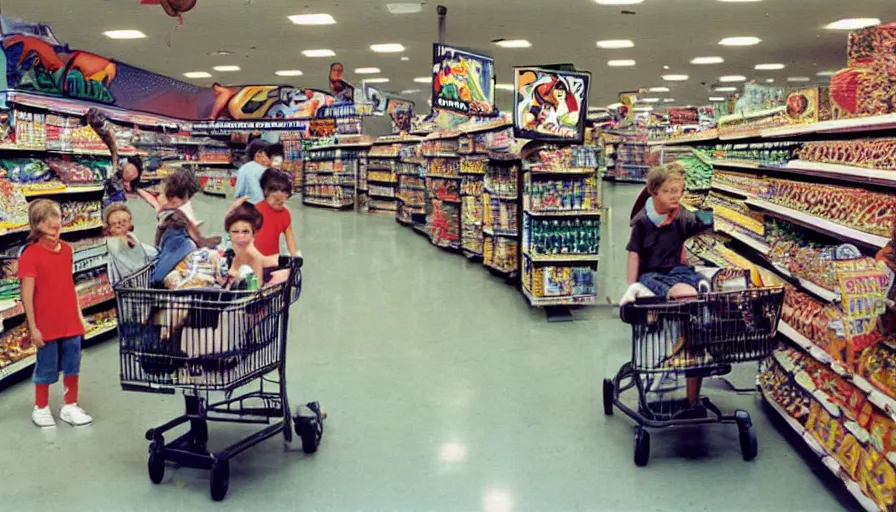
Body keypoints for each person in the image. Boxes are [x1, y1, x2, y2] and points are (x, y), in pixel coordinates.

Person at [626, 163, 711, 413]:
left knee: (694, 319)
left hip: (679, 271)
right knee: (686, 295)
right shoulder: (642, 222)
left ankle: (692, 399)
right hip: (652, 276)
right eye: (670, 191)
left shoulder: (681, 215)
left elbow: (704, 223)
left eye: (680, 190)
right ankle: (683, 343)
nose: (676, 195)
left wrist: (708, 211)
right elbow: (633, 255)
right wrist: (632, 289)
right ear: (654, 192)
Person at [18, 199, 93, 428]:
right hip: (46, 324)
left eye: (57, 219)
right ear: (37, 225)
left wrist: (80, 318)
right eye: (48, 222)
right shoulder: (30, 256)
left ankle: (70, 404)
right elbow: (27, 295)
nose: (55, 225)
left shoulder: (67, 250)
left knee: (73, 363)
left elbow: (68, 285)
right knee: (46, 366)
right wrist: (33, 327)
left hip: (69, 320)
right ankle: (41, 407)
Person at [225, 203, 279, 285]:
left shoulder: (253, 256)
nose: (241, 237)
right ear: (229, 234)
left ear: (254, 234)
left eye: (245, 232)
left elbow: (255, 288)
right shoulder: (238, 253)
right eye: (235, 232)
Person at [103, 203, 157, 285]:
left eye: (124, 221)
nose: (119, 225)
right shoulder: (107, 250)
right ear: (109, 227)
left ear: (129, 224)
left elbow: (152, 254)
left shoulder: (141, 246)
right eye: (114, 223)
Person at [252, 169, 298, 257]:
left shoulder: (285, 214)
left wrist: (294, 257)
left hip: (272, 261)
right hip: (253, 261)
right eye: (275, 199)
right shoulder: (255, 211)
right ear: (266, 193)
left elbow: (290, 238)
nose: (279, 202)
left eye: (282, 201)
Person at [233, 139, 272, 204]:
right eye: (269, 155)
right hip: (260, 207)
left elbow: (237, 194)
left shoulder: (243, 168)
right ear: (258, 155)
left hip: (244, 206)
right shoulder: (264, 171)